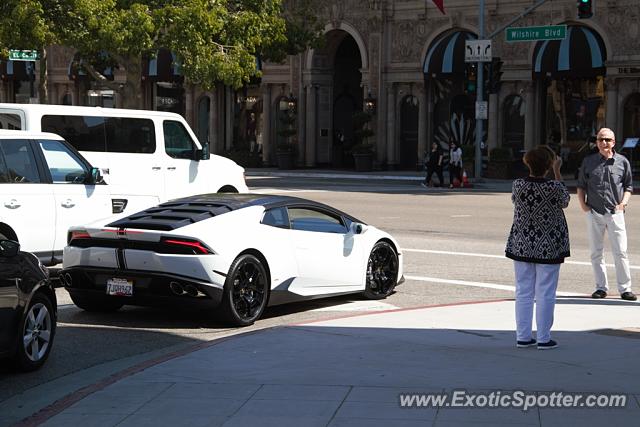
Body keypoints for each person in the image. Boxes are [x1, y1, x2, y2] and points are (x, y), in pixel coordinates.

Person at [505, 146, 569, 350]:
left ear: (528, 163)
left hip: (522, 244)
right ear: (549, 165)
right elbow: (565, 201)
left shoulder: (518, 185)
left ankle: (523, 336)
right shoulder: (554, 187)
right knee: (545, 292)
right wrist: (558, 172)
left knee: (523, 290)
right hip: (548, 245)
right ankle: (543, 337)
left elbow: (516, 202)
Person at [577, 127, 636, 301]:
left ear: (614, 142)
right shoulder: (588, 161)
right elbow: (581, 186)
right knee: (596, 252)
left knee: (621, 251)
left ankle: (625, 289)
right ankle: (601, 287)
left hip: (615, 213)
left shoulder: (622, 162)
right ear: (596, 142)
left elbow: (628, 187)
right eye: (601, 139)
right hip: (594, 212)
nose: (604, 142)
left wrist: (623, 204)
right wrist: (584, 206)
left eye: (608, 139)